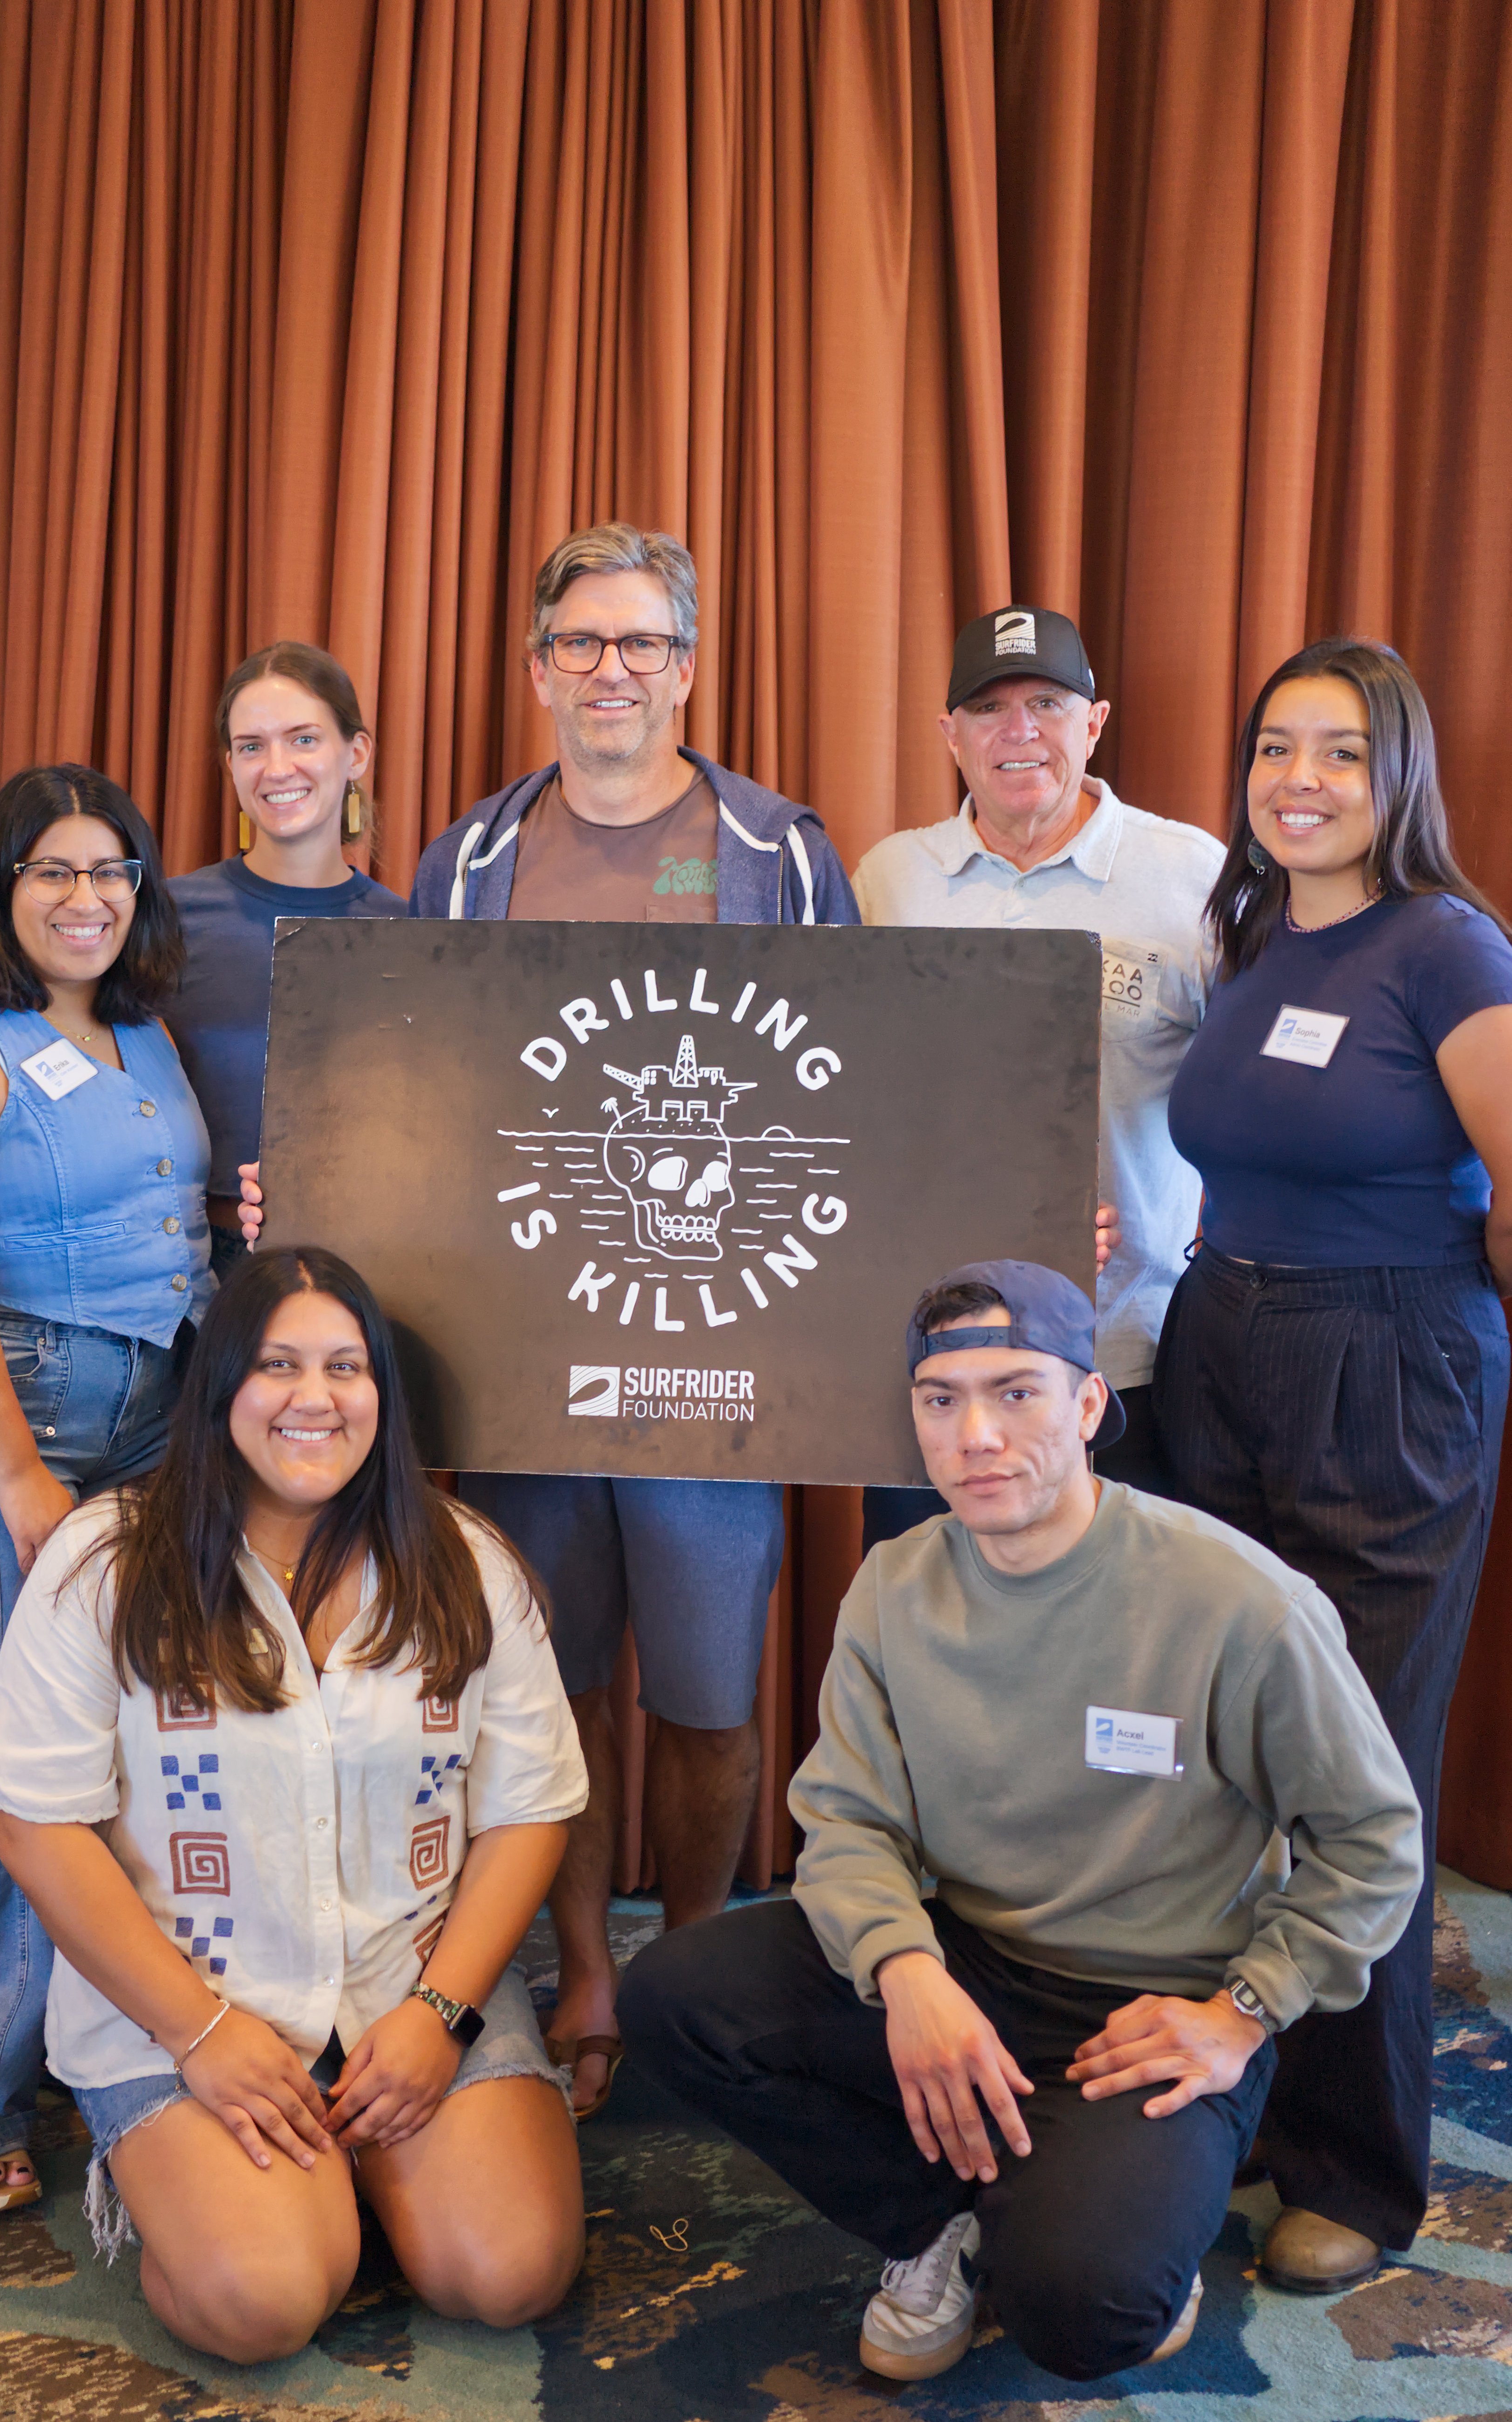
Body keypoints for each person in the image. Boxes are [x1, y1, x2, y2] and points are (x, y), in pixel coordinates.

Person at [619, 1261, 1423, 2384]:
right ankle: (928, 2221)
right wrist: (907, 1974)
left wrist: (1245, 2009)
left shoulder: (1236, 1600)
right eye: (939, 1400)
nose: (975, 1434)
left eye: (1016, 1392)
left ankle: (1100, 2199)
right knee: (669, 1995)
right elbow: (846, 1820)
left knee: (1087, 2307)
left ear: (1089, 1405)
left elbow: (1373, 1837)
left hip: (1152, 2011)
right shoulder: (893, 1585)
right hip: (971, 1962)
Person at [406, 521, 860, 2117]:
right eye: (583, 645)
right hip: (528, 1350)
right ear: (538, 671)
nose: (614, 672)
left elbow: (854, 1080)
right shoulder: (464, 859)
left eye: (644, 645)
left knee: (709, 1691)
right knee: (551, 1682)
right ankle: (585, 1972)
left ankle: (692, 1963)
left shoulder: (778, 849)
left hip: (721, 1349)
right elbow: (430, 1093)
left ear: (686, 666)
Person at [0, 1246, 586, 2363]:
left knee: (508, 2274)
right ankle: (244, 2190)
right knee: (260, 2302)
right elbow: (35, 1825)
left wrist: (441, 2013)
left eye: (346, 1367)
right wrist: (198, 2032)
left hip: (411, 1984)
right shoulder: (101, 1565)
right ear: (219, 1393)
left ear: (382, 1396)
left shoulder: (469, 1563)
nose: (315, 1397)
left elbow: (529, 1811)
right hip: (191, 2000)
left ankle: (365, 2180)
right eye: (276, 1366)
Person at [1155, 636, 1512, 2292]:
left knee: (1356, 1768)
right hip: (1217, 1339)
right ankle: (1241, 2102)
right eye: (1275, 748)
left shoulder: (1445, 946)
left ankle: (1360, 2173)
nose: (1300, 780)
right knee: (1230, 1748)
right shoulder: (1253, 930)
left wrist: (1441, 1361)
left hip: (1386, 1355)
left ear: (1398, 780)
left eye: (1341, 754)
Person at [0, 765, 214, 2215]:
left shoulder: (136, 1027)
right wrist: (18, 1470)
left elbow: (161, 1211)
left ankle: (78, 2044)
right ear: (0, 884)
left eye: (112, 869)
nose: (86, 898)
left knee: (105, 1764)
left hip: (150, 1423)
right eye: (53, 872)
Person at [853, 606, 1223, 1538]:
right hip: (940, 1359)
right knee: (931, 1641)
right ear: (948, 733)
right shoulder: (888, 881)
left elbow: (1253, 1105)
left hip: (1127, 1357)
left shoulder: (1190, 878)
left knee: (1116, 1654)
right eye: (986, 708)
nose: (1017, 731)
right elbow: (846, 1105)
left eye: (1045, 704)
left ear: (1092, 723)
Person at [166, 642, 407, 1282]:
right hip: (190, 1271)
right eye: (251, 746)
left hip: (360, 1271)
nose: (277, 767)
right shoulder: (166, 918)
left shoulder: (410, 933)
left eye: (302, 739)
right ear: (230, 766)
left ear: (356, 754)